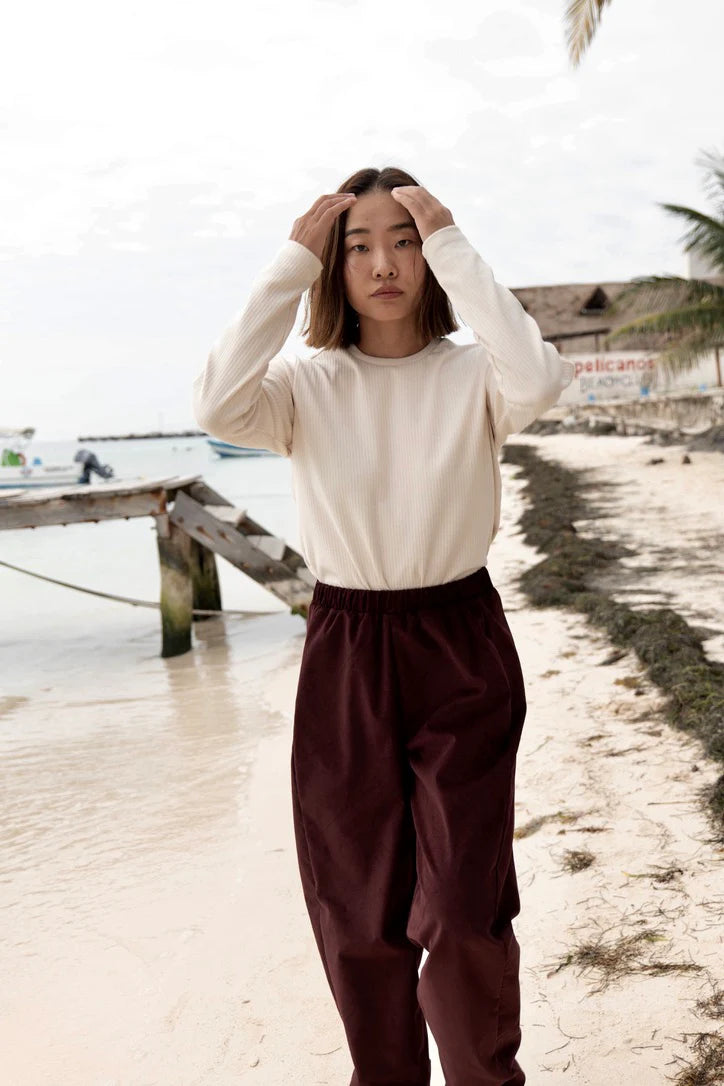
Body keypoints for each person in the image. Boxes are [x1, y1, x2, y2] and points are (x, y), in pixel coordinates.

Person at [192, 166, 575, 1086]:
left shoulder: (475, 374)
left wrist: (453, 240)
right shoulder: (303, 385)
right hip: (348, 649)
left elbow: (541, 375)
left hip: (460, 641)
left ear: (429, 255)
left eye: (404, 241)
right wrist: (290, 263)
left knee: (463, 901)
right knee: (357, 903)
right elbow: (215, 405)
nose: (384, 264)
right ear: (334, 265)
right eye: (358, 246)